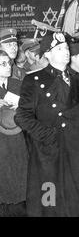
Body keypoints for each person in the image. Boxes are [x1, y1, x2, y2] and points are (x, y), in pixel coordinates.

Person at [15, 32, 79, 217]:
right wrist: (48, 136)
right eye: (59, 49)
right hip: (50, 153)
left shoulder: (78, 78)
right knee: (50, 201)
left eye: (67, 48)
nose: (66, 52)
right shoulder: (34, 80)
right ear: (48, 54)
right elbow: (21, 116)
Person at [0, 50, 28, 216]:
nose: (8, 67)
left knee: (18, 185)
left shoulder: (18, 85)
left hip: (17, 141)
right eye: (2, 64)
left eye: (8, 63)